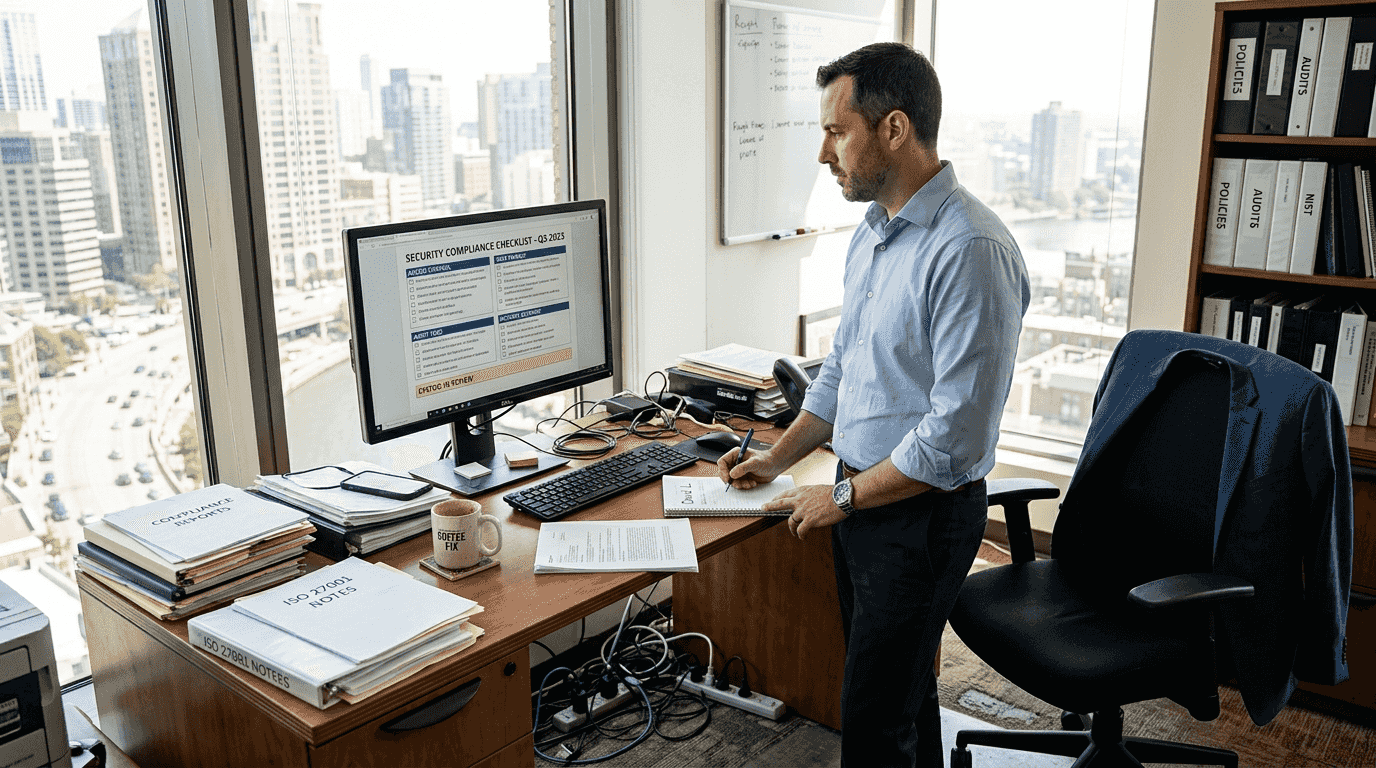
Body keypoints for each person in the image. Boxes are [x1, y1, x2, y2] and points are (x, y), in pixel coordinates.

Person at [718, 42, 1030, 767]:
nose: (824, 153)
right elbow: (842, 375)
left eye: (837, 131)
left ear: (894, 129)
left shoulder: (970, 250)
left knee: (871, 720)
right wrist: (777, 459)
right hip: (861, 498)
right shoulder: (874, 234)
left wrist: (844, 498)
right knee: (901, 699)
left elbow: (954, 438)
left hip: (920, 518)